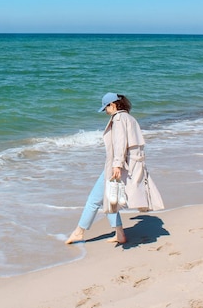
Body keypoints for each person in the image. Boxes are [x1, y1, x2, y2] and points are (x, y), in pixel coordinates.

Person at [65, 92, 163, 245]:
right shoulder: (129, 118)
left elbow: (120, 143)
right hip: (129, 164)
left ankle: (79, 232)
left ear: (113, 105)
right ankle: (119, 234)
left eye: (106, 108)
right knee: (109, 199)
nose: (105, 111)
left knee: (94, 200)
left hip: (118, 165)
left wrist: (116, 165)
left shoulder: (118, 119)